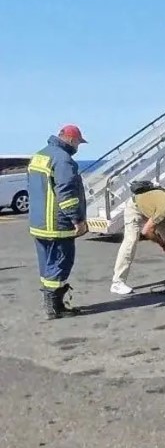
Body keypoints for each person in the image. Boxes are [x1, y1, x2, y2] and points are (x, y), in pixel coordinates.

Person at [27, 124, 89, 319]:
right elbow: (67, 193)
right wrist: (77, 219)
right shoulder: (64, 160)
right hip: (57, 225)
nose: (78, 147)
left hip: (38, 222)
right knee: (61, 262)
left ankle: (51, 303)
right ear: (71, 139)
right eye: (78, 142)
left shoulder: (39, 156)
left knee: (47, 265)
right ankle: (54, 307)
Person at [110, 185, 165, 295]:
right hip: (136, 208)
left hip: (153, 210)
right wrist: (163, 244)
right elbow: (146, 231)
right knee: (131, 242)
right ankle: (117, 283)